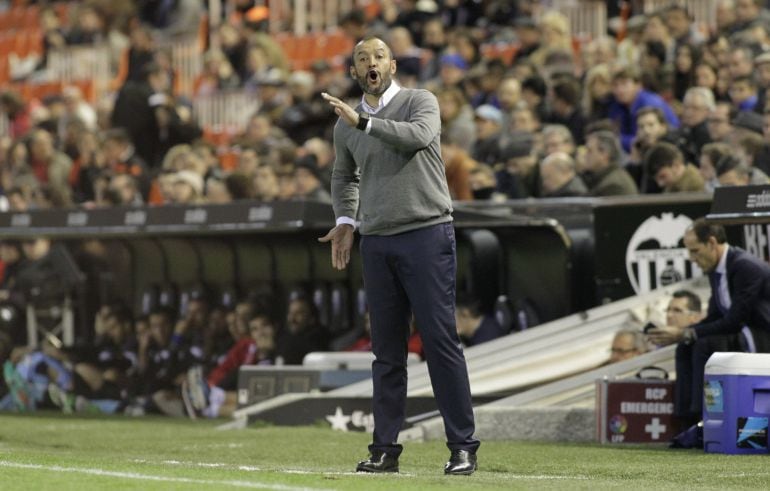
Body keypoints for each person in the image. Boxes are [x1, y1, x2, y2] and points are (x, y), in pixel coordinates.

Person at [319, 36, 479, 476]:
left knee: (440, 342)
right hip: (379, 241)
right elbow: (343, 176)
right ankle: (384, 449)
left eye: (379, 56)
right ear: (355, 71)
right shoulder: (345, 124)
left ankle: (463, 445)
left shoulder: (419, 101)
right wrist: (347, 222)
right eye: (362, 58)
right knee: (386, 352)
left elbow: (418, 138)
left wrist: (364, 124)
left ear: (392, 65)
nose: (371, 62)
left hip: (426, 233)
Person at [647, 219, 770, 430]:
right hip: (741, 333)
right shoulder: (717, 269)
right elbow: (715, 315)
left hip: (761, 336)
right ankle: (685, 422)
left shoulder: (745, 267)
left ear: (712, 243)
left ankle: (702, 419)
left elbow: (734, 320)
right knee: (685, 347)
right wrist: (684, 335)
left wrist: (687, 332)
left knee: (704, 344)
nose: (691, 258)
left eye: (695, 251)